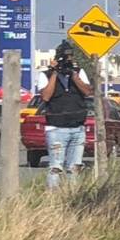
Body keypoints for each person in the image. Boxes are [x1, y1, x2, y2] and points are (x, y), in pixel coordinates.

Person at [37, 41, 92, 188]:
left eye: (70, 58)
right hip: (56, 128)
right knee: (56, 167)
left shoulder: (78, 72)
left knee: (75, 167)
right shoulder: (45, 75)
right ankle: (53, 200)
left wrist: (73, 74)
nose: (68, 61)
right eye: (65, 58)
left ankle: (73, 196)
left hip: (77, 127)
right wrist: (55, 72)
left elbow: (87, 91)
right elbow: (46, 97)